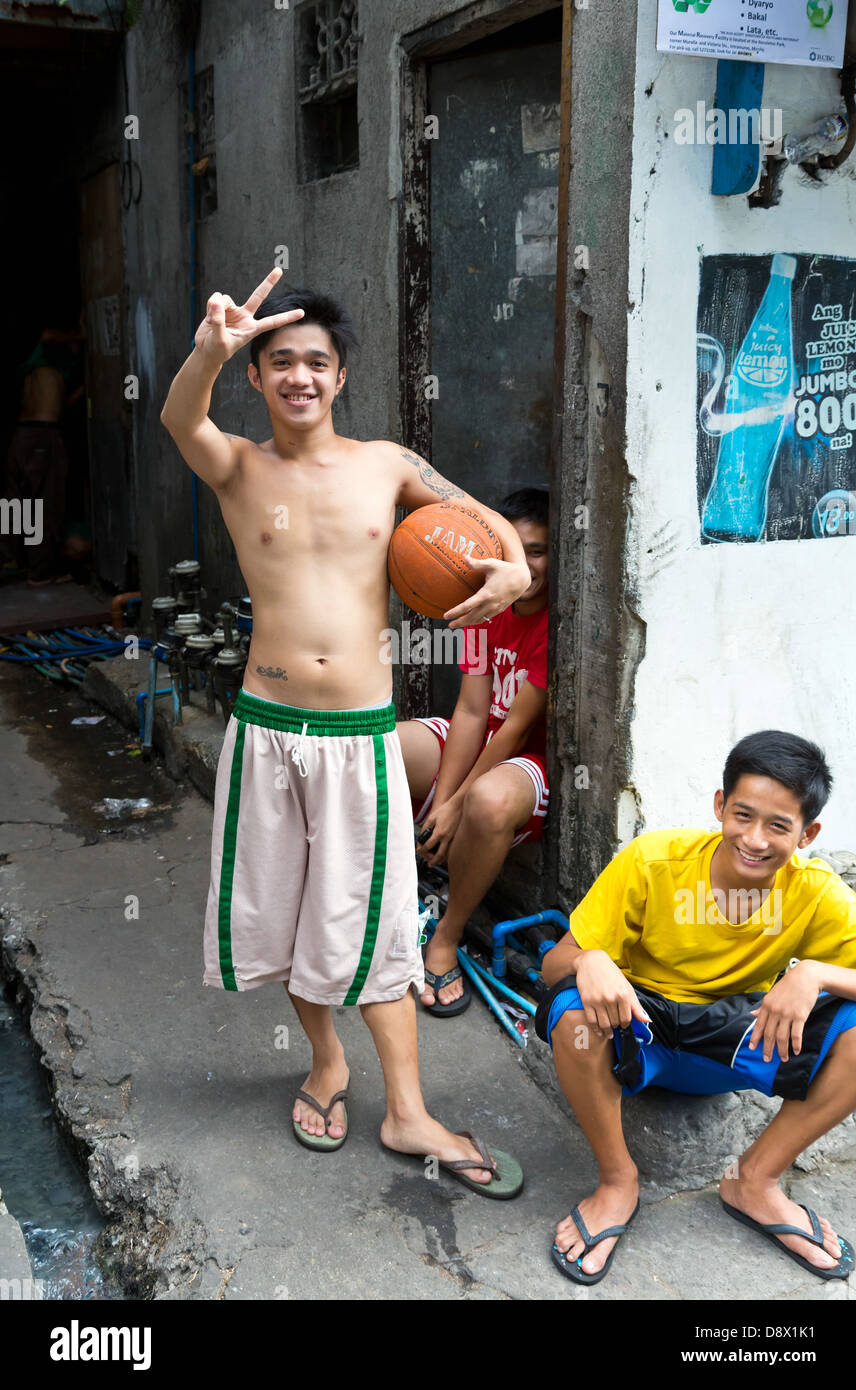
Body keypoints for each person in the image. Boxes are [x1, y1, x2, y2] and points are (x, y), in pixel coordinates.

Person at [159, 268, 530, 1196]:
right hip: (268, 729)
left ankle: (407, 1112)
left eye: (315, 363)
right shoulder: (240, 467)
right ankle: (325, 1062)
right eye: (279, 362)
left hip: (362, 734)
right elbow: (177, 418)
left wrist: (516, 568)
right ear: (258, 376)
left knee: (372, 929)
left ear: (340, 375)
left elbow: (479, 516)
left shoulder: (389, 465)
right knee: (285, 914)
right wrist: (213, 346)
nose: (298, 377)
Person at [537, 730, 856, 1285]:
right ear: (719, 805)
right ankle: (618, 1182)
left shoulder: (815, 892)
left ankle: (754, 1182)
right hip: (639, 1030)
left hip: (737, 1039)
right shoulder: (651, 861)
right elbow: (551, 969)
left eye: (779, 826)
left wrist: (813, 973)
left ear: (807, 833)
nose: (755, 840)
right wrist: (587, 958)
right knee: (573, 1014)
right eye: (743, 815)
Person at [398, 487, 549, 1015]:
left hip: (526, 761)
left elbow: (511, 730)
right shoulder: (486, 606)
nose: (525, 564)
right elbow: (470, 711)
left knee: (484, 801)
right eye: (515, 550)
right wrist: (441, 802)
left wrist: (460, 804)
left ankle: (445, 936)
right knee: (380, 747)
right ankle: (387, 896)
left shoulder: (556, 622)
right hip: (482, 738)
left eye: (538, 551)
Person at [4, 321, 86, 586]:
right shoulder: (46, 353)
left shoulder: (38, 368)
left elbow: (60, 406)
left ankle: (13, 562)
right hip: (42, 435)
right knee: (45, 504)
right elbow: (48, 334)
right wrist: (79, 336)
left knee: (19, 503)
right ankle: (41, 572)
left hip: (21, 435)